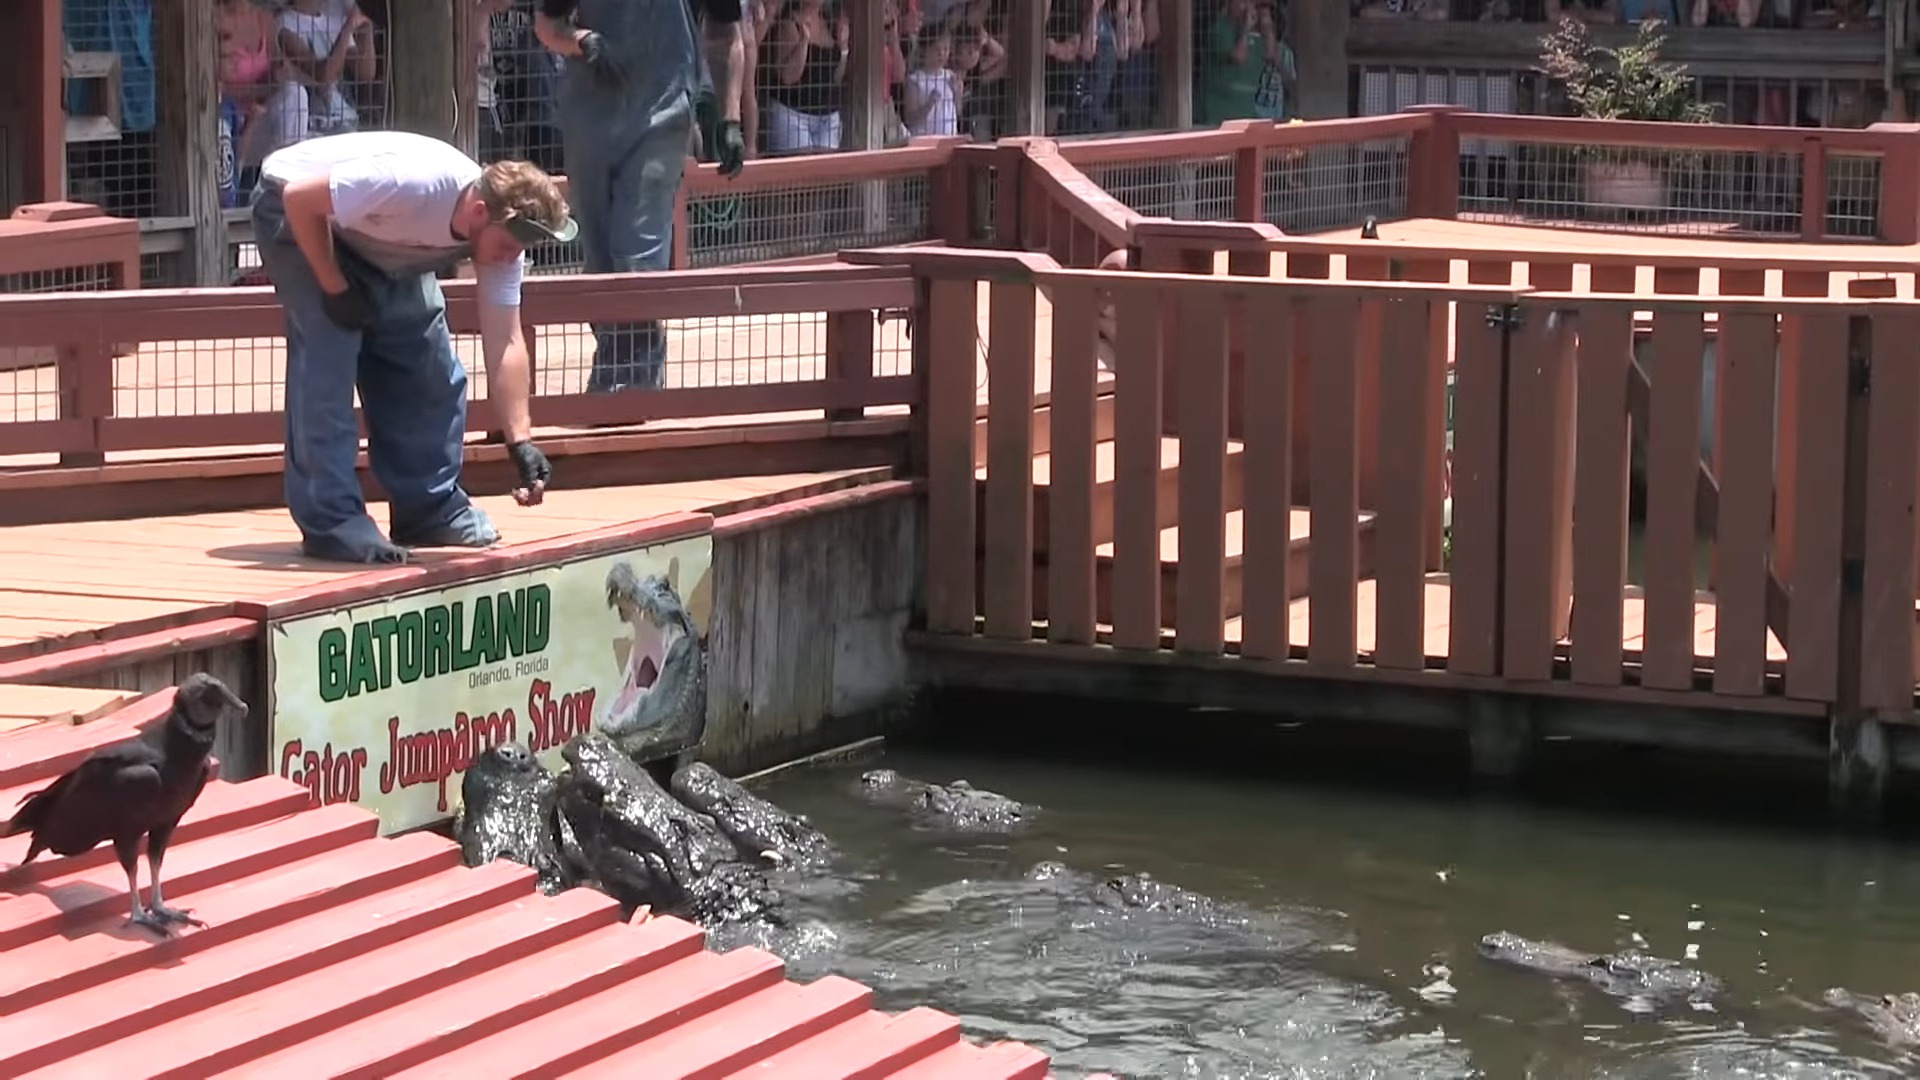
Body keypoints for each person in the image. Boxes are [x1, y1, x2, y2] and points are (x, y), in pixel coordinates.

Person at [250, 130, 573, 565]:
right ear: (479, 212)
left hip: (377, 238)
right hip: (298, 214)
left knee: (429, 361)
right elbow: (298, 197)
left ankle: (429, 508)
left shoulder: (497, 235)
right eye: (508, 246)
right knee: (330, 353)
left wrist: (521, 441)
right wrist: (334, 286)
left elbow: (506, 340)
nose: (510, 257)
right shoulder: (412, 184)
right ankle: (332, 522)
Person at [535, 0, 748, 395]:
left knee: (636, 250)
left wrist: (731, 118)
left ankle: (630, 385)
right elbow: (547, 25)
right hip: (590, 119)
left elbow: (727, 35)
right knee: (599, 260)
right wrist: (583, 41)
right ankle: (621, 370)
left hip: (663, 114)